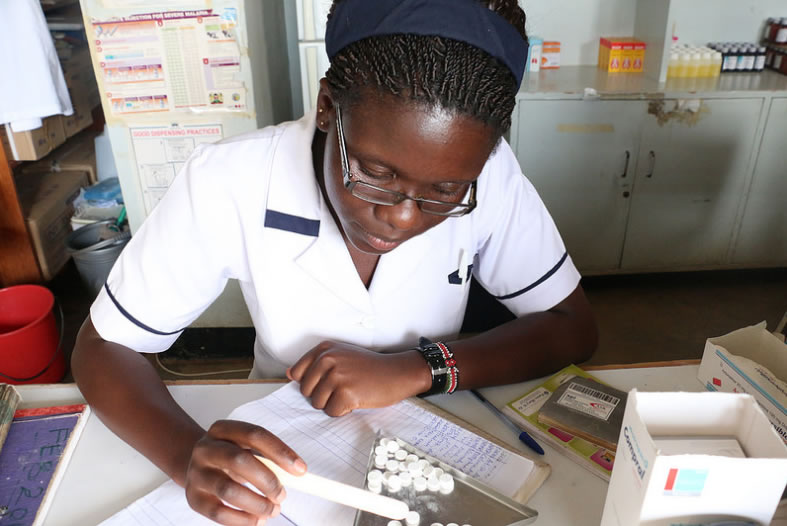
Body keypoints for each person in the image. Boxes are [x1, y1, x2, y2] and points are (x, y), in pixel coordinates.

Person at [71, 0, 598, 524]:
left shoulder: (493, 175)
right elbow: (104, 346)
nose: (405, 219)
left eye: (446, 190)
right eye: (375, 172)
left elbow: (572, 327)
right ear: (327, 105)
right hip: (282, 442)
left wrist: (416, 369)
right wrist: (184, 454)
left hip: (436, 429)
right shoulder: (229, 179)